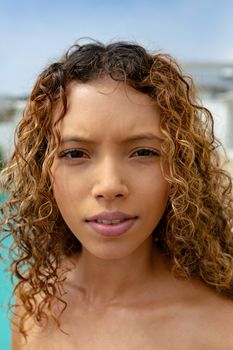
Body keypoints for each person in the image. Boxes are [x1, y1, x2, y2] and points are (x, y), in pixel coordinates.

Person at [1, 39, 233, 349]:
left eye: (143, 151)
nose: (109, 185)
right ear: (44, 171)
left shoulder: (219, 326)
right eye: (75, 154)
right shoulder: (31, 304)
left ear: (181, 168)